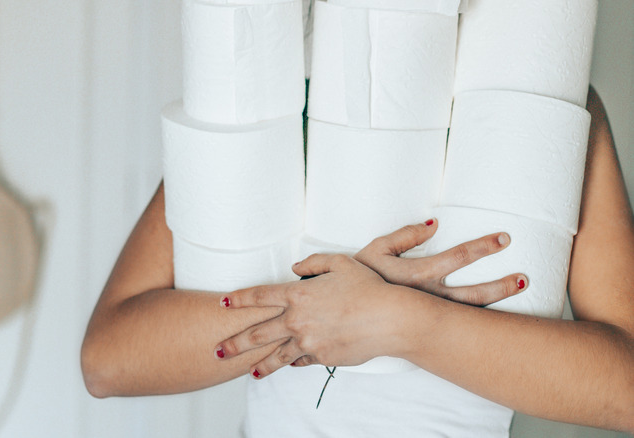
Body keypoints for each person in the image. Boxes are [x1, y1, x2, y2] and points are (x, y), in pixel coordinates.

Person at [81, 87, 634, 433]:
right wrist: (319, 304)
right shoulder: (262, 93)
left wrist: (396, 319)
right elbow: (107, 360)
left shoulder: (541, 97)